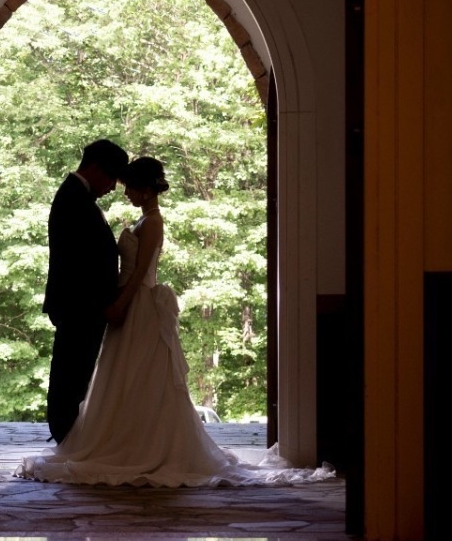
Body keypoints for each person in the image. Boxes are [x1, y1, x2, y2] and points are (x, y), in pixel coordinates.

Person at [20, 156, 335, 487]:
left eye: (128, 186)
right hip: (128, 305)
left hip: (138, 305)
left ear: (143, 189)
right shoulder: (144, 219)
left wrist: (120, 304)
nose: (124, 192)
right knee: (124, 380)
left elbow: (141, 272)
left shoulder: (153, 222)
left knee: (141, 378)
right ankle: (126, 441)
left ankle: (143, 447)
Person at [43, 137, 129, 444]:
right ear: (94, 168)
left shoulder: (77, 196)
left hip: (82, 305)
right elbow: (79, 264)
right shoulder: (74, 199)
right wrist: (103, 302)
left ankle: (69, 432)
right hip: (81, 305)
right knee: (72, 373)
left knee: (75, 371)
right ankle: (67, 432)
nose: (112, 187)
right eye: (110, 178)